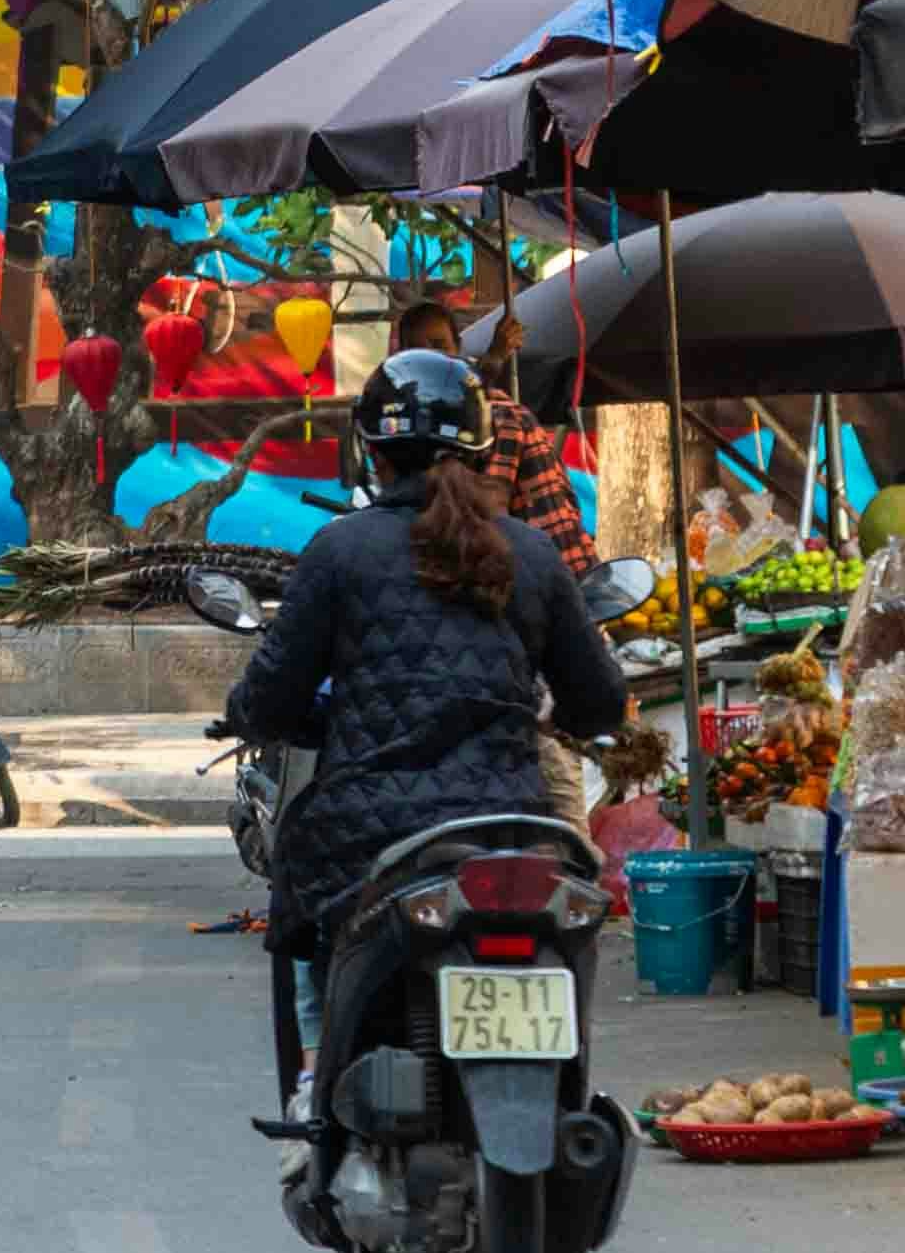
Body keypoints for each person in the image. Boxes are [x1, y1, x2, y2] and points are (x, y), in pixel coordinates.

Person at [221, 349, 628, 1116]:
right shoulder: (532, 553)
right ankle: (566, 1089)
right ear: (483, 451)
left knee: (306, 926)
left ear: (372, 451)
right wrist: (550, 711)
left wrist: (259, 713)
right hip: (513, 824)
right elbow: (601, 704)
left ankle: (316, 1081)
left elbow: (270, 698)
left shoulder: (338, 550)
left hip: (368, 835)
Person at [398, 301, 588, 573]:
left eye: (439, 346)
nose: (431, 358)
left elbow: (500, 515)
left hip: (529, 570)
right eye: (417, 349)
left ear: (458, 348)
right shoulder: (414, 421)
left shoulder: (501, 419)